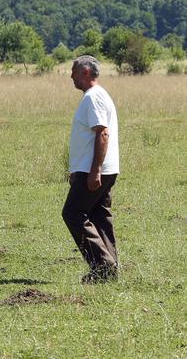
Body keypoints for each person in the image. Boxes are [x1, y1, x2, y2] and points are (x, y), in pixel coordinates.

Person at [62, 55, 120, 283]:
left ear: (85, 72)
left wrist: (93, 170)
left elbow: (102, 133)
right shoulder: (98, 95)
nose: (71, 76)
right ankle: (110, 267)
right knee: (99, 215)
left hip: (94, 170)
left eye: (74, 71)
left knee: (73, 213)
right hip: (101, 168)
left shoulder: (93, 97)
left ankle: (103, 266)